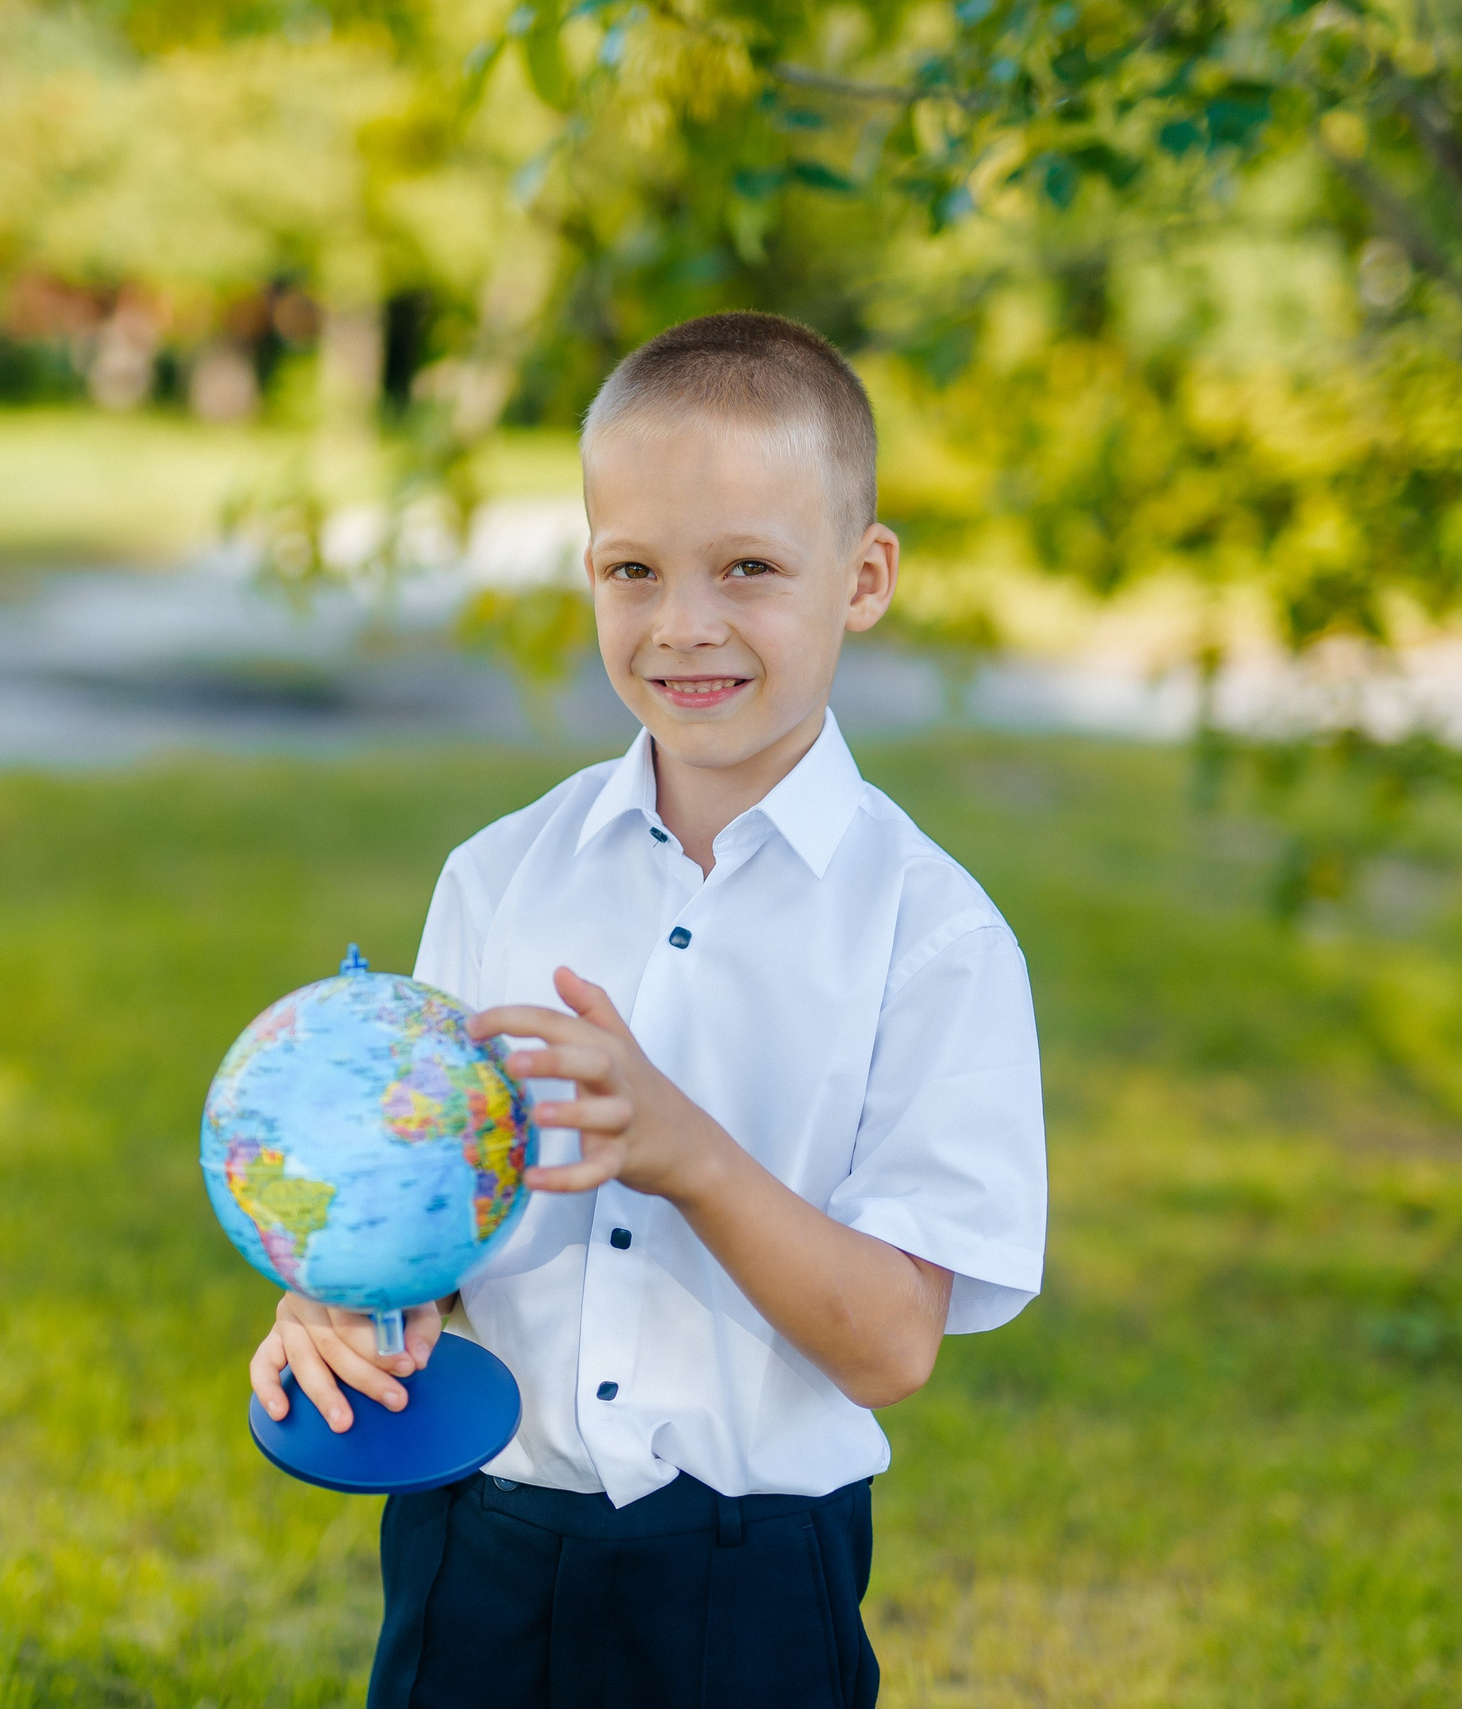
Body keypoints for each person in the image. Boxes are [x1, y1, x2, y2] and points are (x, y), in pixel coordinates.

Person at [247, 311, 1048, 1709]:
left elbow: (892, 1343)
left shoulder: (935, 935)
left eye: (749, 566)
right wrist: (342, 1294)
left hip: (745, 1589)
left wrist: (686, 1152)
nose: (685, 622)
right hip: (479, 1548)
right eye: (635, 568)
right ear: (591, 570)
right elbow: (419, 1216)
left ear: (863, 578)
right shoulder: (500, 876)